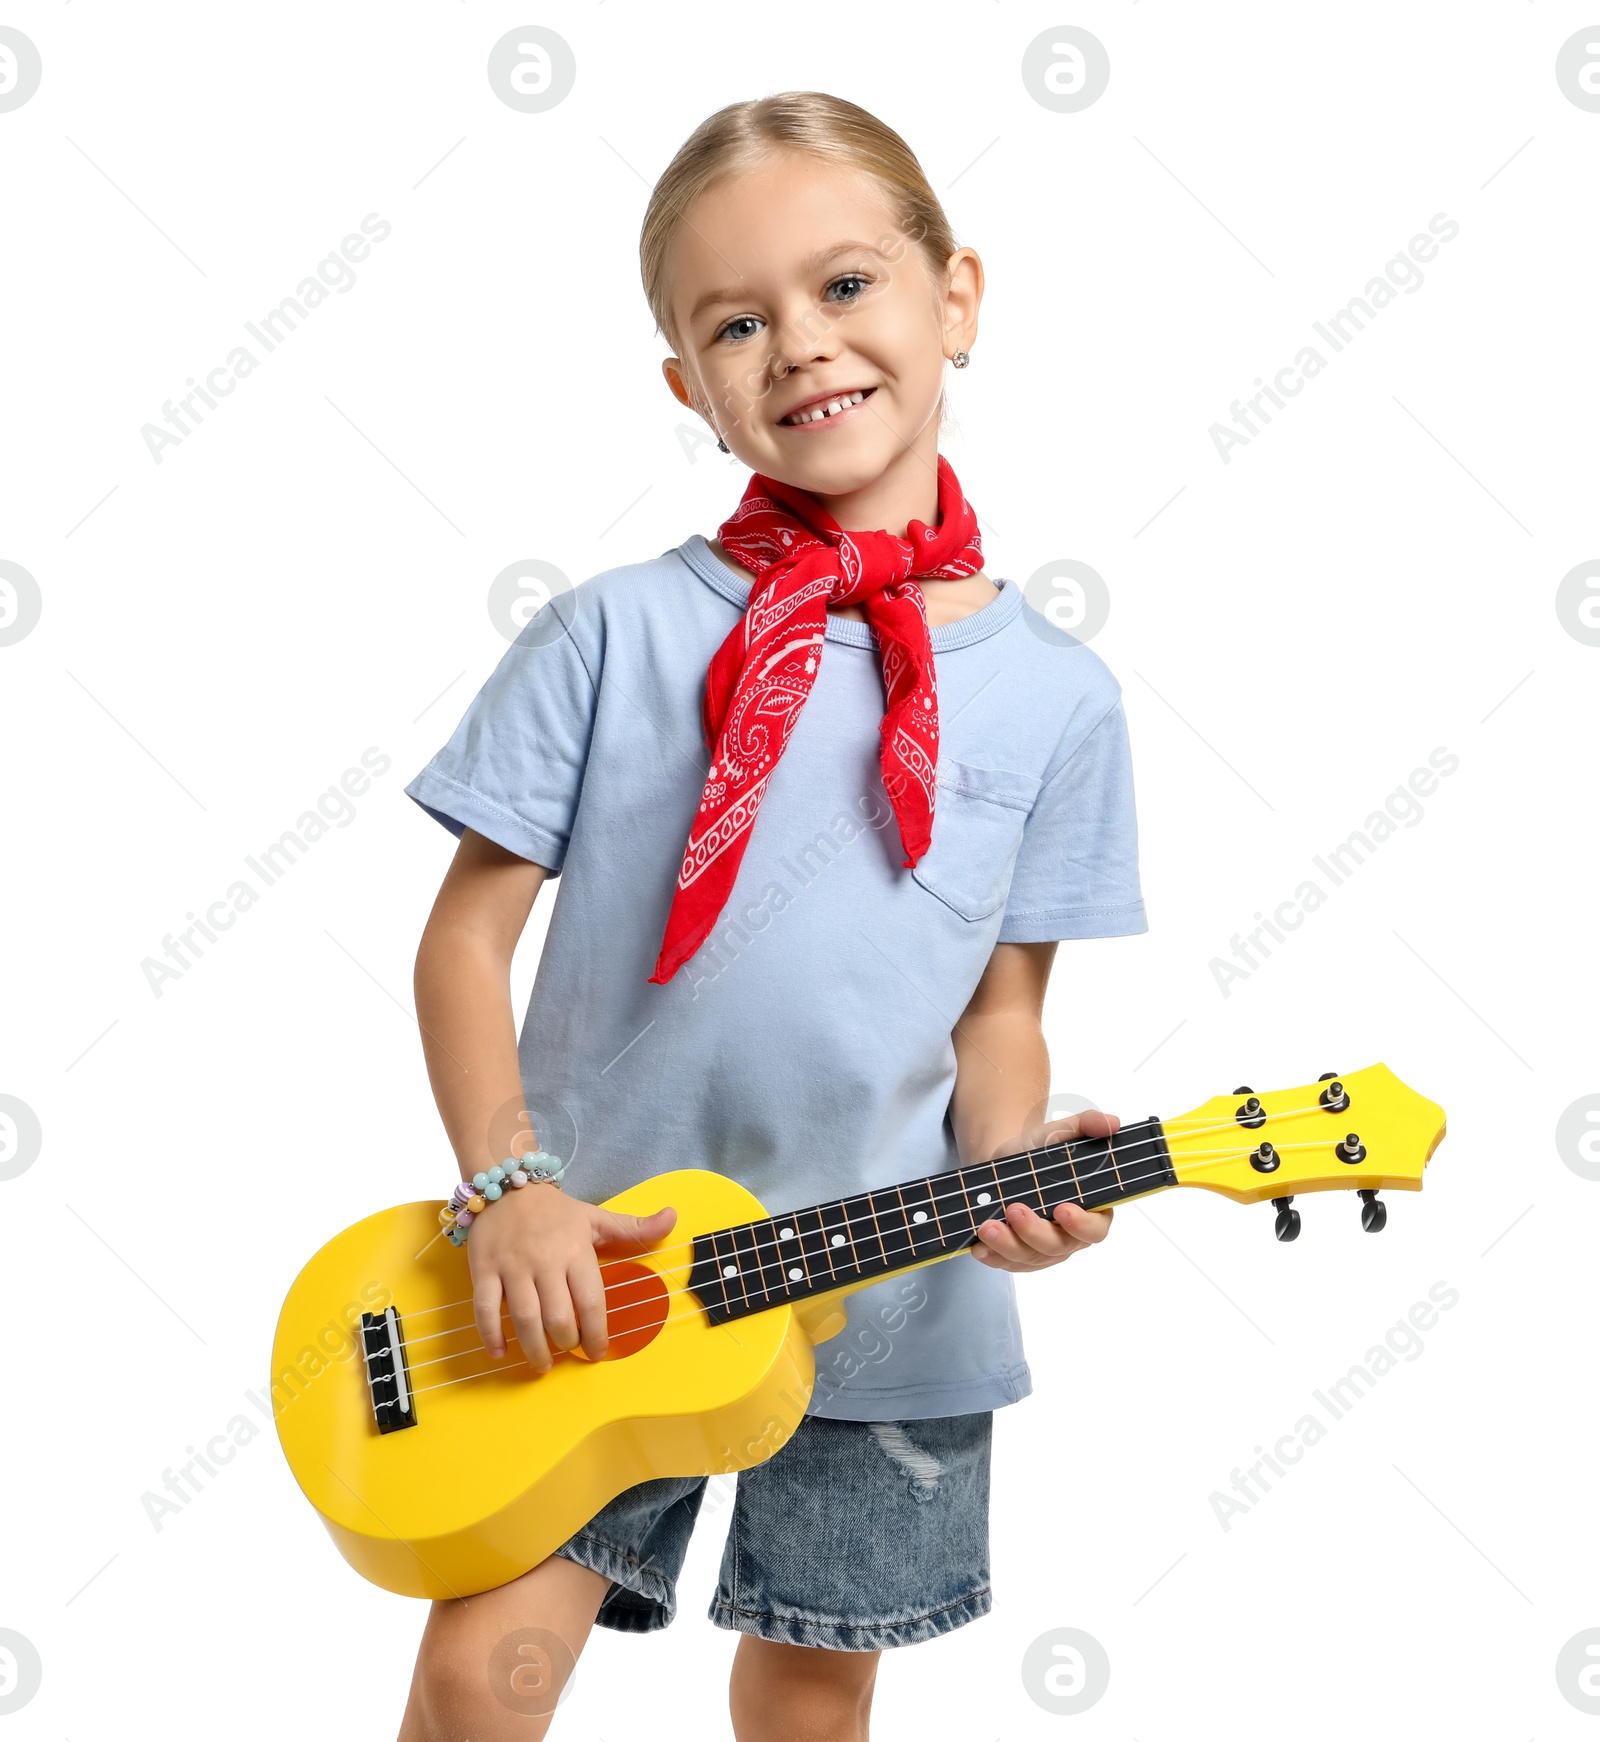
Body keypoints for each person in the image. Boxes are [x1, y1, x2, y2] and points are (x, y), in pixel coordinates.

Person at [396, 90, 1147, 1742]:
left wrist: (1013, 1168)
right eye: (738, 321)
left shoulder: (1059, 700)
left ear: (957, 296)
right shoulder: (616, 634)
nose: (800, 345)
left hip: (885, 1300)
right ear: (689, 382)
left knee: (810, 1698)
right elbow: (465, 939)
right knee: (478, 1674)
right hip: (595, 1283)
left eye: (847, 287)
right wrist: (512, 1186)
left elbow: (999, 1014)